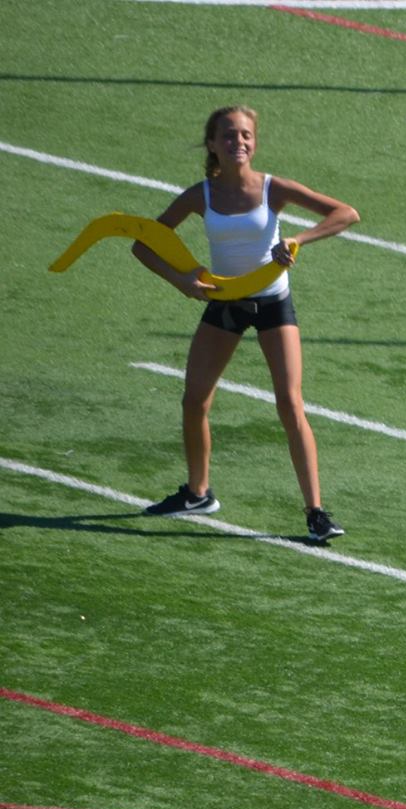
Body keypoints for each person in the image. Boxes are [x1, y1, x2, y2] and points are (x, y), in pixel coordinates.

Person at [130, 104, 359, 543]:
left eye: (246, 135)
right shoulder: (200, 195)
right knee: (195, 399)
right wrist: (182, 281)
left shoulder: (274, 189)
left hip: (273, 304)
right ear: (212, 144)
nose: (239, 142)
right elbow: (143, 243)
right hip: (224, 302)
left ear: (255, 142)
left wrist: (298, 239)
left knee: (290, 403)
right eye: (229, 135)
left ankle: (316, 512)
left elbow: (346, 213)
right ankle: (198, 493)